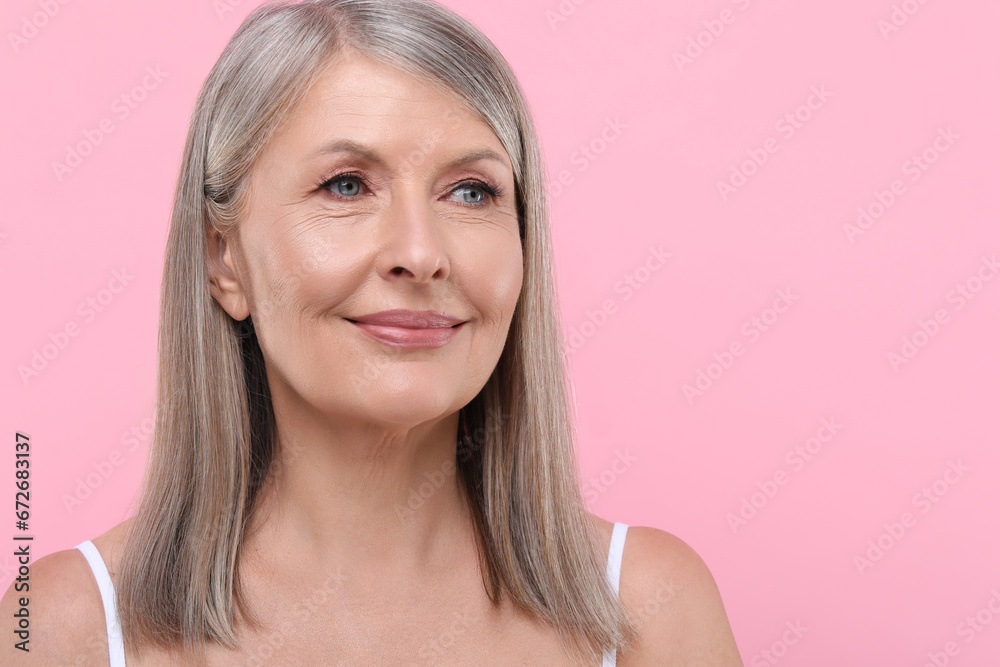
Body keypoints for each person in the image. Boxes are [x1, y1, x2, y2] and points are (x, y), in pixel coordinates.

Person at [1, 0, 743, 664]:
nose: (420, 253)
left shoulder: (651, 613)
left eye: (472, 191)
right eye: (347, 185)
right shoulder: (63, 631)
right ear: (223, 260)